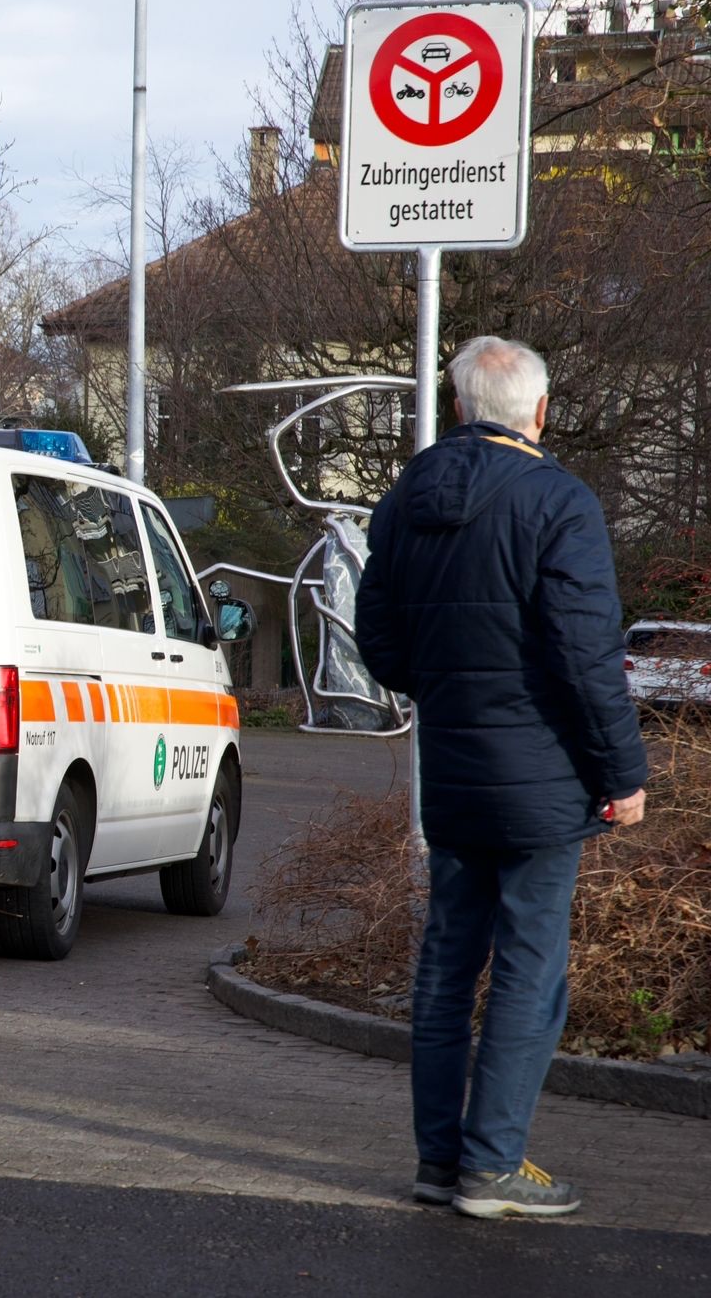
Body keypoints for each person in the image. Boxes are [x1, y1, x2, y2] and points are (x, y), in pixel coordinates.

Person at [357, 336, 647, 1220]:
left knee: (448, 959)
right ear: (541, 412)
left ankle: (439, 1163)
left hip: (451, 768)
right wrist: (623, 772)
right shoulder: (559, 500)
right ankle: (493, 1166)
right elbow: (586, 657)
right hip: (544, 780)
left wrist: (448, 689)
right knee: (529, 968)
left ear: (458, 410)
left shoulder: (405, 499)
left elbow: (378, 643)